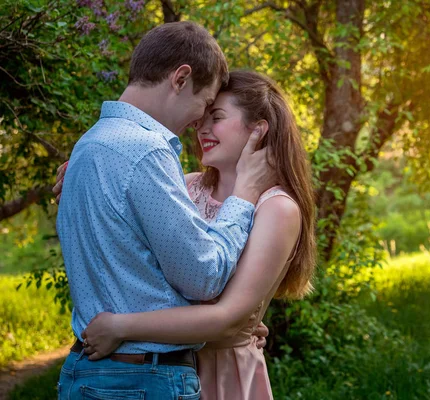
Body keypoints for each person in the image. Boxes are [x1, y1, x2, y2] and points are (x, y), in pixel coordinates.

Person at [55, 22, 275, 400]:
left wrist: (237, 325)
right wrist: (246, 193)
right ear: (180, 78)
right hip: (138, 381)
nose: (198, 121)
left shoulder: (88, 146)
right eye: (205, 104)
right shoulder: (148, 152)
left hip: (86, 373)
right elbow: (203, 276)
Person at [77, 70, 317, 400]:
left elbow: (227, 319)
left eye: (216, 118)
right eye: (201, 117)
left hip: (222, 374)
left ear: (258, 129)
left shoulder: (277, 209)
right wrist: (74, 171)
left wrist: (120, 327)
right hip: (162, 369)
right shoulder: (186, 186)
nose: (201, 127)